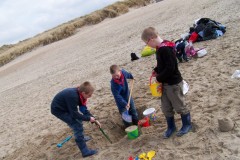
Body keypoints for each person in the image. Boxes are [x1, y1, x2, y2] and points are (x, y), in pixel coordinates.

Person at [141, 27, 192, 138]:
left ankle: (187, 124)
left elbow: (171, 67)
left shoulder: (165, 49)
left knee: (180, 105)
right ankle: (171, 127)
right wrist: (156, 70)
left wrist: (159, 78)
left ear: (151, 39)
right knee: (166, 107)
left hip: (173, 84)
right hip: (164, 85)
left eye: (146, 43)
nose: (147, 46)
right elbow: (162, 65)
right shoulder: (160, 48)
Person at [51, 81, 100, 157]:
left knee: (79, 120)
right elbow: (74, 114)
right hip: (58, 110)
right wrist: (88, 118)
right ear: (83, 93)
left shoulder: (80, 95)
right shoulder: (73, 96)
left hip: (65, 107)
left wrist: (93, 118)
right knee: (76, 125)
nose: (90, 96)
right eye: (89, 95)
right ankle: (85, 151)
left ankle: (81, 138)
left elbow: (83, 109)